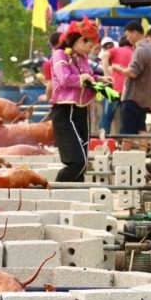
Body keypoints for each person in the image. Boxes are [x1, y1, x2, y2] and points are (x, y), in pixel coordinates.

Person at [49, 17, 109, 182]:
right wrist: (83, 77)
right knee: (77, 162)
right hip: (65, 111)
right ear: (81, 40)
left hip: (82, 111)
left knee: (82, 165)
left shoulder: (81, 58)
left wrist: (101, 81)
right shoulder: (60, 54)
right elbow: (65, 79)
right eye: (90, 46)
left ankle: (76, 199)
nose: (90, 50)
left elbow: (88, 78)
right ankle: (55, 191)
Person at [111, 21, 151, 150]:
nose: (127, 38)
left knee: (128, 131)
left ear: (135, 33)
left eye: (128, 35)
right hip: (143, 97)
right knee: (141, 128)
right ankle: (141, 159)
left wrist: (118, 68)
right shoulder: (150, 48)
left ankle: (122, 161)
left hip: (133, 97)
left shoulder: (140, 50)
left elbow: (133, 73)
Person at [99, 36, 132, 134]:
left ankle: (103, 140)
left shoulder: (116, 50)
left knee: (107, 117)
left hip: (114, 87)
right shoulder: (135, 52)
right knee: (124, 118)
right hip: (128, 90)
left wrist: (106, 75)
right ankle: (123, 142)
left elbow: (104, 56)